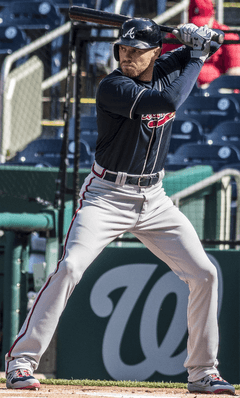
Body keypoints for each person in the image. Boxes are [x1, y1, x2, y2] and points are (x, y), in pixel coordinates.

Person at [5, 18, 235, 395]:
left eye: (137, 51)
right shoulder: (113, 85)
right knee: (70, 267)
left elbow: (219, 40)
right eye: (123, 49)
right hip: (106, 195)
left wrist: (200, 37)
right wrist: (195, 55)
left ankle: (202, 372)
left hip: (156, 198)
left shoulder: (165, 65)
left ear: (155, 53)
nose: (128, 56)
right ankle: (21, 363)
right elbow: (168, 100)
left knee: (205, 274)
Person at [162, 0, 240, 87]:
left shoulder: (227, 35)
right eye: (195, 27)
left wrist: (213, 87)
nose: (199, 32)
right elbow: (162, 67)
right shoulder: (177, 34)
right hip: (183, 90)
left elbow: (235, 72)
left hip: (217, 92)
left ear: (213, 15)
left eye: (204, 27)